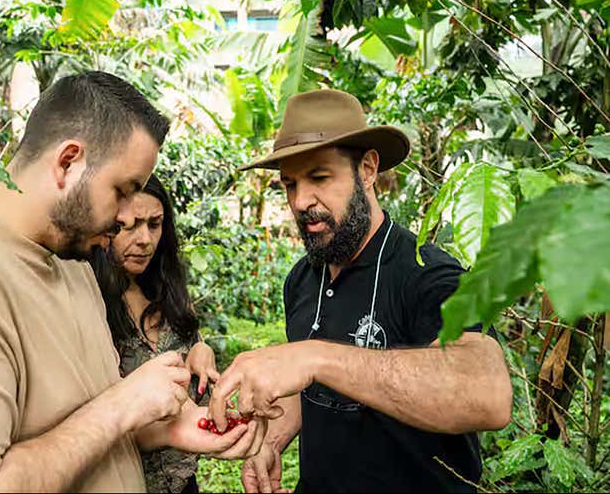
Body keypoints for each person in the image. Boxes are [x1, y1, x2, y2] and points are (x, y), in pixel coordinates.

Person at [0, 71, 265, 493]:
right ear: (68, 162)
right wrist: (122, 406)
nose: (127, 218)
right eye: (122, 191)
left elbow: (81, 428)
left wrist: (165, 429)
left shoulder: (72, 259)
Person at [206, 89, 513, 493]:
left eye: (319, 177)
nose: (300, 201)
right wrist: (271, 441)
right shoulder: (302, 278)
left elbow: (487, 393)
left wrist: (314, 356)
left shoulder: (426, 272)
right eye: (290, 184)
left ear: (368, 169)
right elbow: (312, 389)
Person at [90, 173, 220, 493]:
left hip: (182, 481)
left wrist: (200, 352)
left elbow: (192, 341)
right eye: (129, 226)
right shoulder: (86, 299)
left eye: (154, 223)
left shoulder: (167, 289)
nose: (145, 239)